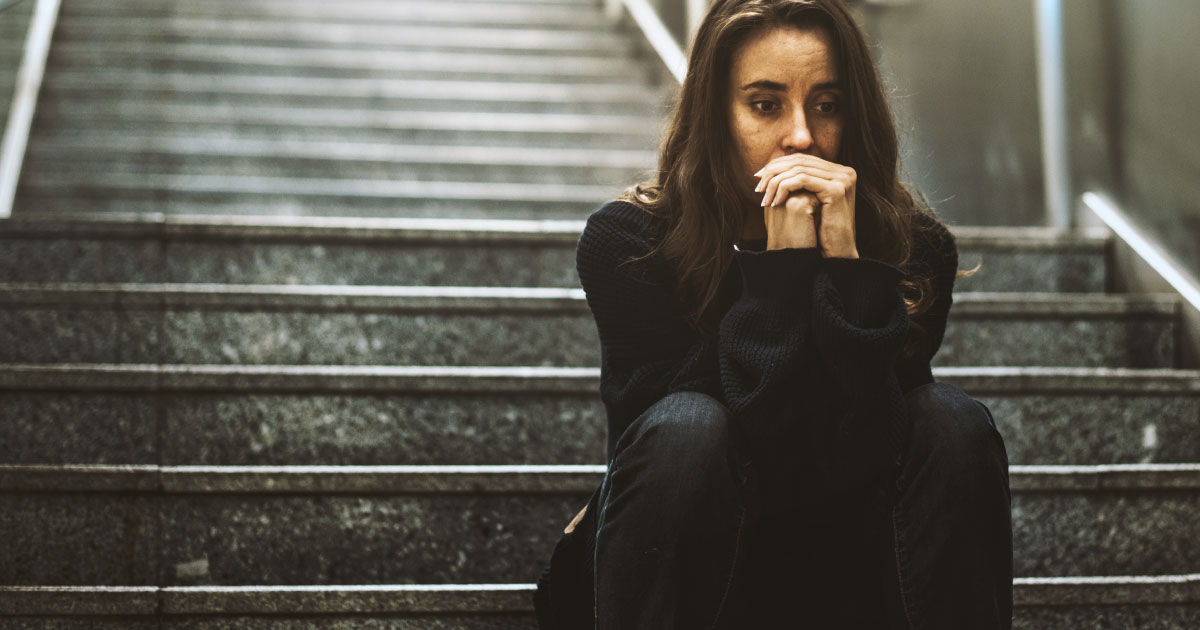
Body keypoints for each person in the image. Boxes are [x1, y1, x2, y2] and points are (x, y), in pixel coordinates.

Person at [533, 0, 1013, 627]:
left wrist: (849, 269)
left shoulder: (915, 251)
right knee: (688, 426)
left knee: (950, 422)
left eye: (827, 104)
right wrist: (783, 268)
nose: (802, 138)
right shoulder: (630, 244)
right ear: (716, 115)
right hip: (701, 577)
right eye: (765, 105)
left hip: (854, 580)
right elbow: (723, 443)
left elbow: (870, 436)